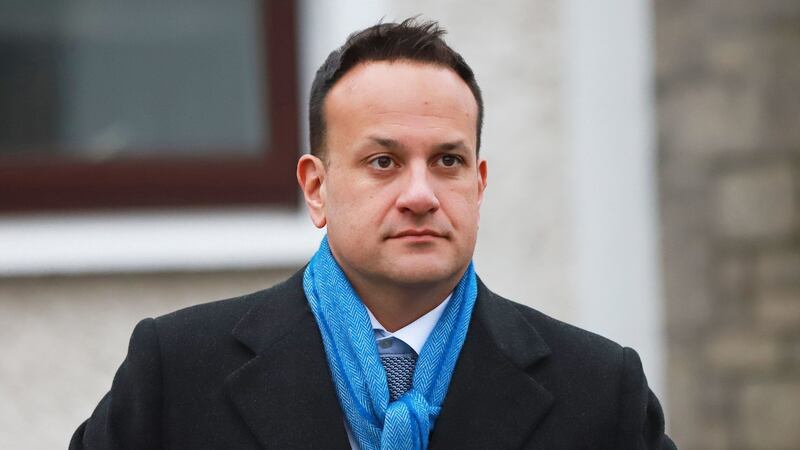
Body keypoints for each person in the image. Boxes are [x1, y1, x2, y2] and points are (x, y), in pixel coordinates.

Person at [71, 19, 675, 450]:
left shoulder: (598, 389)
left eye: (447, 161)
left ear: (480, 183)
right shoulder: (179, 372)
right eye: (383, 162)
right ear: (316, 188)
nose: (420, 194)